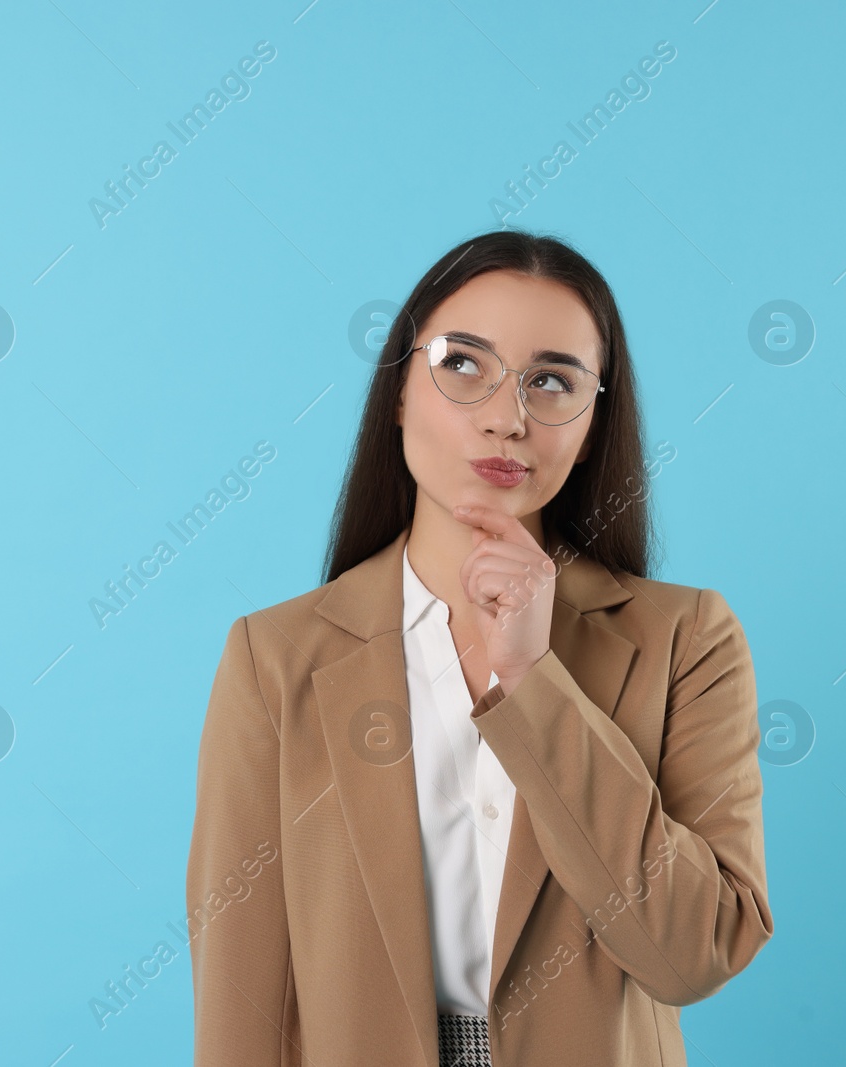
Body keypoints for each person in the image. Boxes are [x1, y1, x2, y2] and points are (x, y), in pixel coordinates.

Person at [185, 229, 774, 1066]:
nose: (507, 417)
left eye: (551, 381)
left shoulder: (685, 639)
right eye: (462, 364)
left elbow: (694, 953)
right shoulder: (275, 658)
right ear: (397, 390)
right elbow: (241, 993)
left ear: (592, 419)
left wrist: (534, 680)